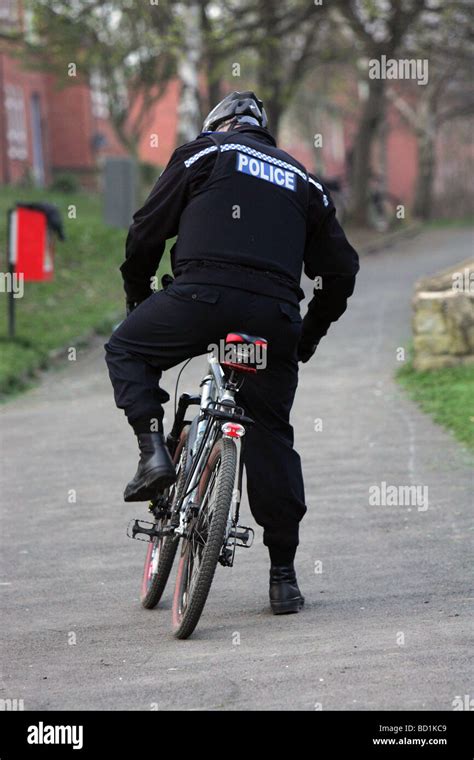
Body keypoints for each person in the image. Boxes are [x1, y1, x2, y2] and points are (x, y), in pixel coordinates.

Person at [105, 91, 359, 614]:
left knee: (126, 348)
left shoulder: (203, 152)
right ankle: (283, 578)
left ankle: (153, 451)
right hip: (271, 319)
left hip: (200, 299)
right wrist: (305, 335)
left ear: (218, 124)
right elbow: (342, 272)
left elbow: (145, 232)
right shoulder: (303, 180)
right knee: (269, 434)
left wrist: (139, 299)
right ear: (263, 132)